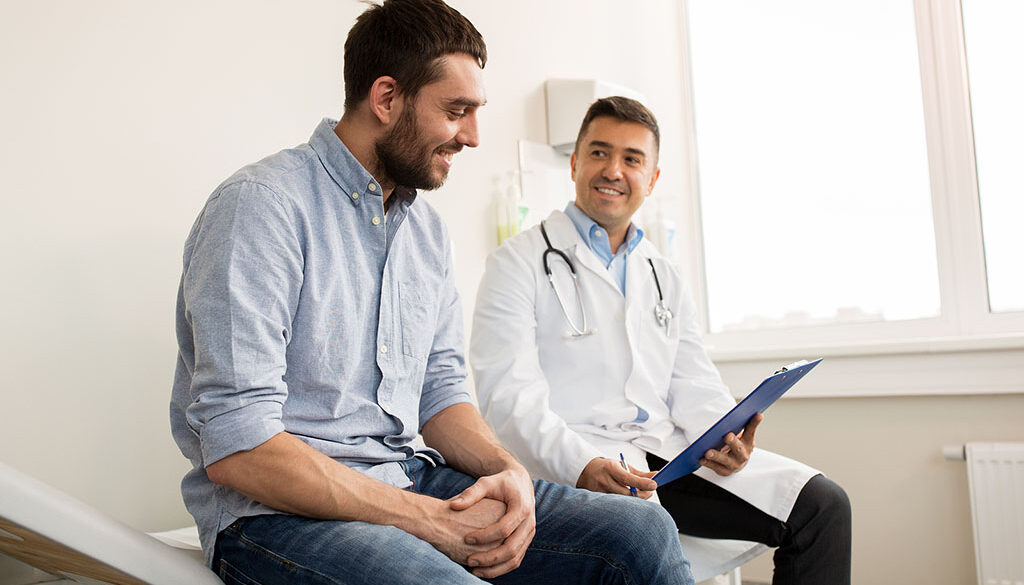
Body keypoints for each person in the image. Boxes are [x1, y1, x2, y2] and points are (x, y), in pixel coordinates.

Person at [169, 3, 693, 585]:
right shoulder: (261, 207)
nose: (471, 136)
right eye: (456, 111)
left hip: (407, 477)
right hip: (273, 519)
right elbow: (240, 446)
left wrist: (506, 469)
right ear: (387, 98)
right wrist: (426, 520)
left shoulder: (424, 232)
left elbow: (439, 392)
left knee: (641, 531)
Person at [471, 96, 852, 585]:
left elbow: (692, 380)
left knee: (823, 505)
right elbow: (508, 399)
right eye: (598, 153)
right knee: (642, 532)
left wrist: (726, 438)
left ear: (651, 179)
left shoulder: (663, 273)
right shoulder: (517, 263)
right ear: (574, 163)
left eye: (632, 159)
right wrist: (582, 463)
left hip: (665, 459)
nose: (613, 170)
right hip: (573, 464)